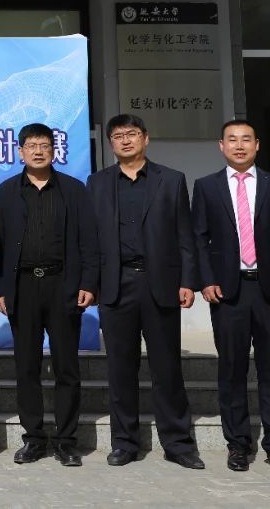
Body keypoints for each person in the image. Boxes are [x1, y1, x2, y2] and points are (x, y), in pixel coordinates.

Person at [86, 114, 203, 470]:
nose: (125, 140)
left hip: (160, 284)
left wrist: (188, 281)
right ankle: (124, 443)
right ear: (110, 143)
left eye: (132, 134)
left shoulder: (171, 180)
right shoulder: (98, 183)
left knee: (167, 368)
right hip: (116, 285)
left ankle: (178, 444)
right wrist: (90, 284)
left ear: (145, 138)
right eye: (118, 136)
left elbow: (185, 235)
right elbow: (90, 240)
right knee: (121, 369)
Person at [192, 120, 270, 474]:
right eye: (232, 140)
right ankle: (238, 445)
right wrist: (205, 280)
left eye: (246, 139)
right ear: (221, 146)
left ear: (257, 144)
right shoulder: (206, 186)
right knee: (232, 370)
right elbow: (198, 239)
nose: (239, 146)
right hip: (228, 291)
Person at [0, 123, 98, 468]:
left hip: (63, 285)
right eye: (31, 145)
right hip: (22, 287)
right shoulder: (7, 191)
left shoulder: (73, 189)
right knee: (27, 367)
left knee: (67, 367)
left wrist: (88, 283)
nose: (38, 151)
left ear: (54, 150)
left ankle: (66, 441)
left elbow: (88, 240)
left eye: (44, 145)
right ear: (20, 151)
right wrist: (0, 288)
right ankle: (34, 438)